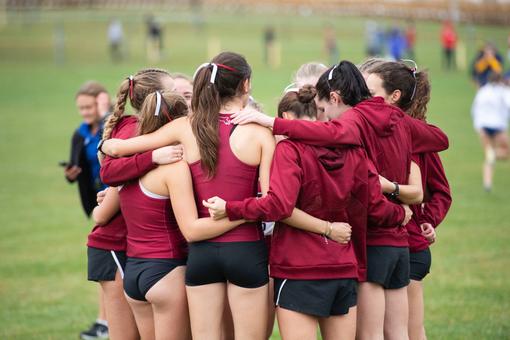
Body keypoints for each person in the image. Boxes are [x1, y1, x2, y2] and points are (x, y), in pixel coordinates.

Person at [100, 53, 358, 339]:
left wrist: (154, 156)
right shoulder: (259, 133)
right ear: (245, 85)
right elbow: (273, 204)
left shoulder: (186, 127)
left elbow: (111, 149)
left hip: (201, 254)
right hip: (246, 251)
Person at [224, 60, 449, 340]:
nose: (324, 117)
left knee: (371, 335)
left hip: (368, 244)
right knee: (399, 333)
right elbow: (440, 139)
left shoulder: (353, 122)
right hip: (398, 245)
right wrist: (399, 198)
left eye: (323, 109)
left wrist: (273, 122)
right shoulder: (394, 117)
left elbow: (332, 134)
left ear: (335, 97)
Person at [203, 86, 412, 340]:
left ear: (287, 119)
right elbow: (375, 205)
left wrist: (229, 208)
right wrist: (400, 213)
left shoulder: (289, 150)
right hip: (343, 266)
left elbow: (279, 206)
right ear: (319, 114)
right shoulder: (354, 151)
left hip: (299, 269)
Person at [366, 60, 452, 340]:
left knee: (407, 331)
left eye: (370, 90)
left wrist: (428, 220)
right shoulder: (367, 131)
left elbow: (440, 191)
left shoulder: (417, 137)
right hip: (386, 241)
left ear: (395, 96)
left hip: (409, 244)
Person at [64, 81, 111, 340]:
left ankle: (105, 322)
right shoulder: (80, 133)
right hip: (97, 205)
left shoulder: (109, 127)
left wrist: (107, 111)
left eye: (88, 106)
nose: (84, 112)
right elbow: (75, 168)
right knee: (104, 265)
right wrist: (71, 174)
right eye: (80, 108)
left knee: (106, 264)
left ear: (99, 103)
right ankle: (105, 321)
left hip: (115, 201)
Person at [86, 186, 139, 340]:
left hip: (135, 249)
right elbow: (100, 216)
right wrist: (100, 207)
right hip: (112, 247)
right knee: (125, 334)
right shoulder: (127, 167)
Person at [471, 72, 510, 192]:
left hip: (483, 126)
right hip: (498, 126)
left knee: (489, 156)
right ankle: (494, 154)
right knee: (506, 152)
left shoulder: (483, 91)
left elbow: (474, 109)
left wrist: (478, 127)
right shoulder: (503, 91)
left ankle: (487, 183)